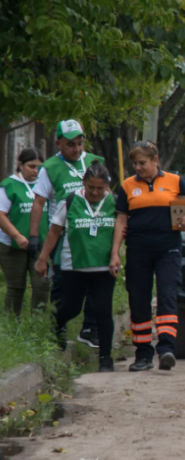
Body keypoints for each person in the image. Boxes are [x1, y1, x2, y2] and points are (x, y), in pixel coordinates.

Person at [111, 141, 185, 372]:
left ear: (155, 160)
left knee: (167, 296)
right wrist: (115, 253)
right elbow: (121, 220)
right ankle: (142, 354)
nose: (138, 168)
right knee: (139, 300)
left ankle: (166, 349)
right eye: (135, 163)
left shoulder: (174, 181)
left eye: (142, 163)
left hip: (168, 251)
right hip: (138, 251)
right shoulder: (127, 186)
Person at [35, 162, 117, 372]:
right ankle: (57, 324)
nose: (95, 192)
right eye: (91, 188)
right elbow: (54, 231)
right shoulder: (71, 201)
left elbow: (122, 230)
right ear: (84, 183)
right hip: (74, 266)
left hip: (103, 268)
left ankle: (105, 358)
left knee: (103, 310)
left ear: (107, 186)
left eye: (100, 188)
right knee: (71, 307)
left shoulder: (114, 203)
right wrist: (43, 258)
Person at [29, 120, 104, 348]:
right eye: (71, 144)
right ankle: (58, 326)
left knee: (96, 282)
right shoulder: (49, 168)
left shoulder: (93, 162)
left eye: (80, 143)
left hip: (93, 234)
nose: (77, 149)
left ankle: (89, 328)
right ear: (58, 142)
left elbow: (107, 194)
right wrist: (34, 236)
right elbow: (39, 203)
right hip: (63, 235)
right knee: (63, 286)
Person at [0, 148, 50, 315]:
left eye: (39, 167)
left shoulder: (44, 184)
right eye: (31, 166)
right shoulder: (9, 185)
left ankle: (38, 325)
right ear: (20, 165)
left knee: (42, 285)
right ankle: (13, 326)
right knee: (16, 287)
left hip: (40, 245)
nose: (36, 171)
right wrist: (17, 236)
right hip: (13, 245)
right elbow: (1, 215)